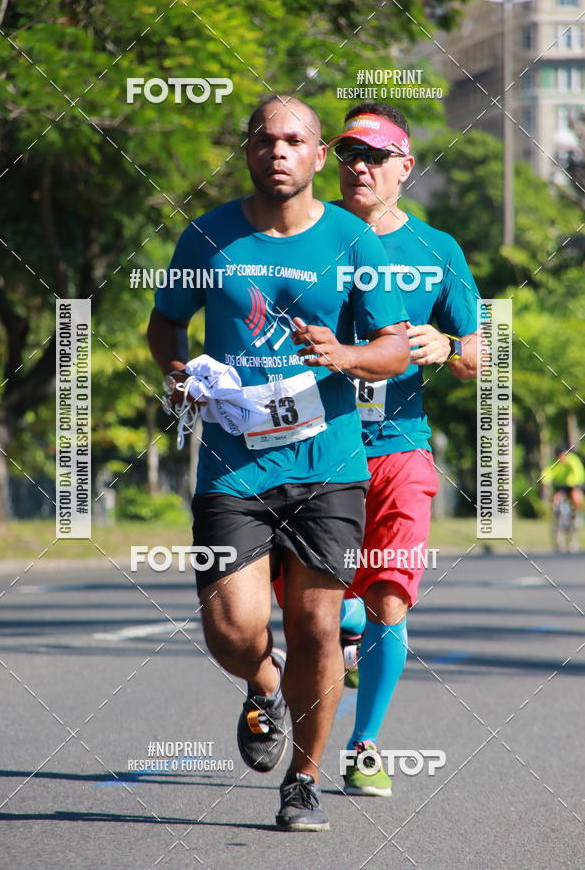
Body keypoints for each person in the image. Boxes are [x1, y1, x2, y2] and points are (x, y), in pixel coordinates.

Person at [147, 95, 410, 831]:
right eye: (265, 140)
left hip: (328, 463)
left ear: (319, 155)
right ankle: (263, 684)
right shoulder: (209, 236)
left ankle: (304, 780)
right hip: (233, 464)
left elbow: (394, 343)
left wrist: (347, 354)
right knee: (234, 627)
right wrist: (176, 372)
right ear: (248, 151)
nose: (279, 151)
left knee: (318, 627)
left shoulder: (355, 242)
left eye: (295, 140)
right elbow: (165, 320)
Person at [328, 103, 481, 796]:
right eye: (347, 154)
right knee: (314, 601)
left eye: (374, 155)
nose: (357, 166)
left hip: (400, 449)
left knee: (390, 597)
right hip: (316, 449)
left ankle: (364, 746)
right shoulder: (308, 237)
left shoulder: (439, 250)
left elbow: (482, 354)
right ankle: (347, 620)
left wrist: (450, 346)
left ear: (405, 168)